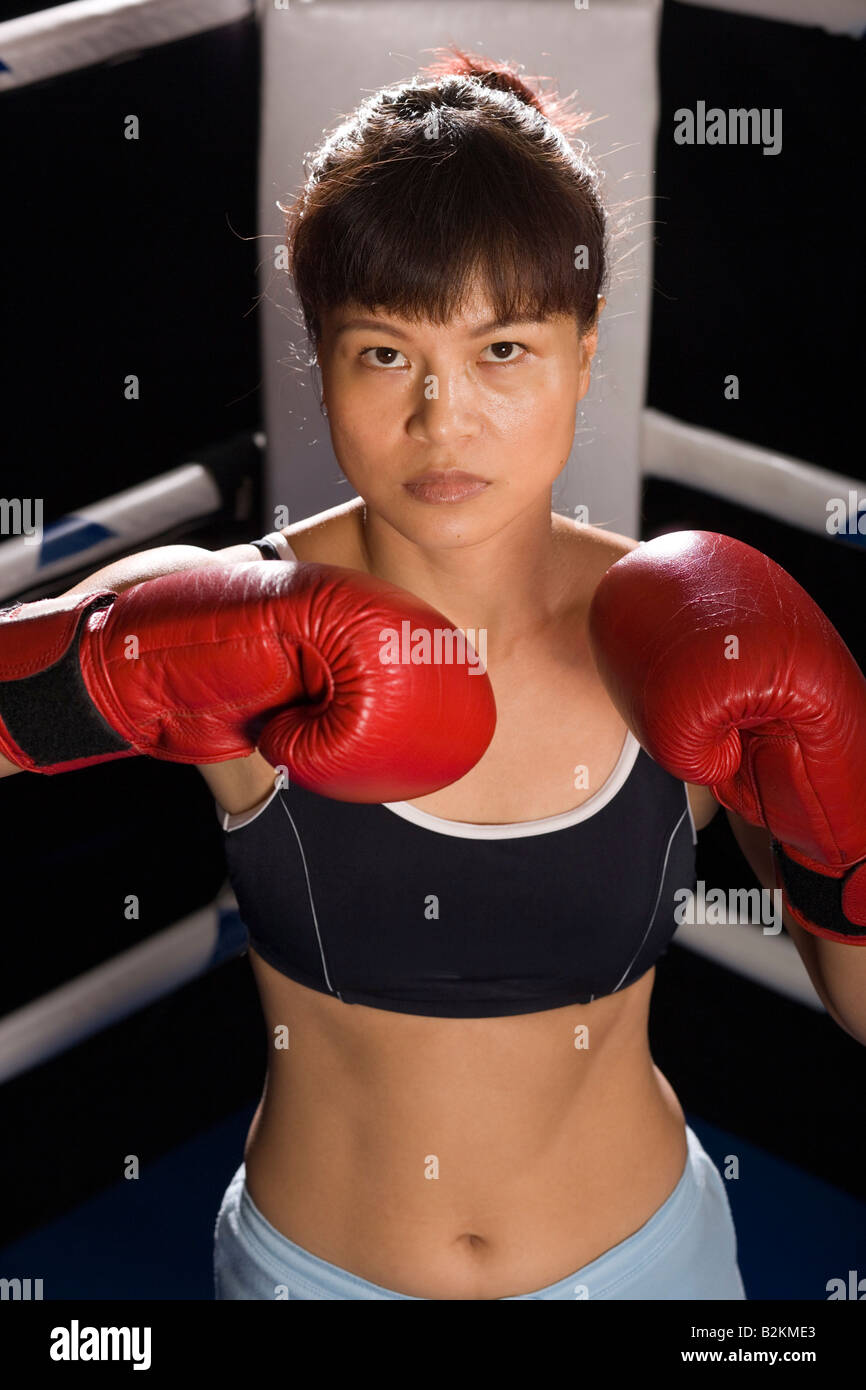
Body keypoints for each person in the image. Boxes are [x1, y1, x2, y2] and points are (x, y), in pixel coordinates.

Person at [5, 48, 862, 1301]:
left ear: (583, 352)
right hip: (314, 1273)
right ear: (319, 358)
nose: (440, 419)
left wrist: (847, 814)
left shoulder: (692, 640)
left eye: (503, 349)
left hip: (644, 1270)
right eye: (383, 353)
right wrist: (104, 665)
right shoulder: (232, 610)